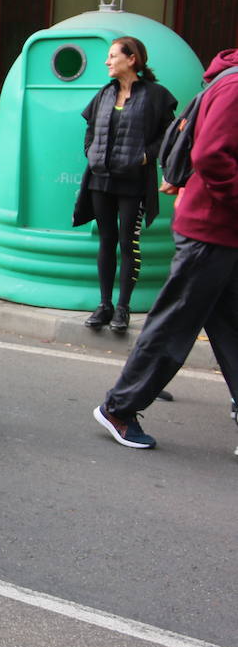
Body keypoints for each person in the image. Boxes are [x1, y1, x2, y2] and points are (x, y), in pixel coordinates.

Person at [93, 49, 238, 450]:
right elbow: (211, 155)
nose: (109, 62)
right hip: (210, 230)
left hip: (223, 231)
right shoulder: (235, 87)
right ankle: (118, 409)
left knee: (231, 327)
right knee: (173, 326)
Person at [72, 36, 177, 334]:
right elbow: (90, 130)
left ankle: (123, 308)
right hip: (100, 180)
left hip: (133, 183)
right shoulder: (105, 94)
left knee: (127, 243)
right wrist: (91, 153)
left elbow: (169, 135)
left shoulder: (155, 95)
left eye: (112, 56)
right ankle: (104, 305)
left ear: (132, 59)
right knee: (106, 241)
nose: (107, 61)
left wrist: (146, 157)